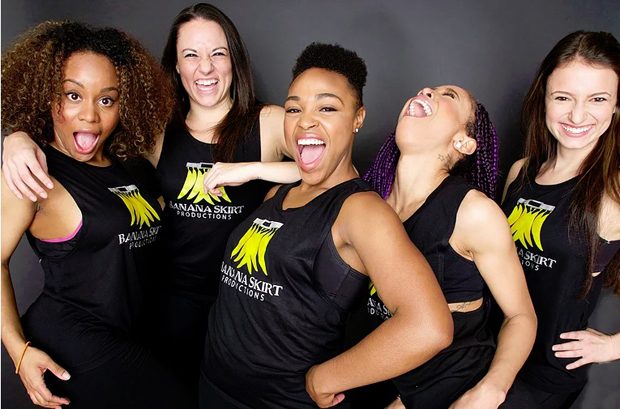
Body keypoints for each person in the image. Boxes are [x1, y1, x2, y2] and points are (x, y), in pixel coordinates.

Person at [1, 3, 299, 393]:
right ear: (175, 65)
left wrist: (254, 170)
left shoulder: (269, 122)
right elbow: (79, 142)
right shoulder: (157, 132)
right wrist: (17, 138)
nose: (205, 68)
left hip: (237, 304)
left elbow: (331, 168)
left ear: (235, 60)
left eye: (218, 53)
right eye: (190, 55)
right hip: (162, 307)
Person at [200, 42, 454, 409]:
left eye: (327, 107)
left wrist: (327, 378)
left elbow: (428, 327)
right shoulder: (277, 192)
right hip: (214, 387)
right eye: (294, 108)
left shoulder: (361, 211)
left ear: (357, 118)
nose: (305, 120)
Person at [1, 21, 192, 409]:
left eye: (107, 100)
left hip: (135, 331)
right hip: (74, 339)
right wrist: (18, 350)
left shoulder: (129, 167)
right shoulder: (34, 172)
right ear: (46, 95)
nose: (89, 115)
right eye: (73, 95)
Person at [360, 86, 537, 409]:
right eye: (429, 89)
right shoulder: (368, 199)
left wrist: (492, 390)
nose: (427, 90)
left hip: (448, 390)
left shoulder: (473, 213)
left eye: (449, 95)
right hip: (373, 381)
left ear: (463, 142)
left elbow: (521, 316)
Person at [500, 31, 620, 409]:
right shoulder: (520, 172)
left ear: (616, 105)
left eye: (598, 99)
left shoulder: (614, 191)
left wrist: (613, 347)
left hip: (542, 378)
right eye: (563, 97)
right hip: (489, 351)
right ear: (544, 99)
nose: (577, 116)